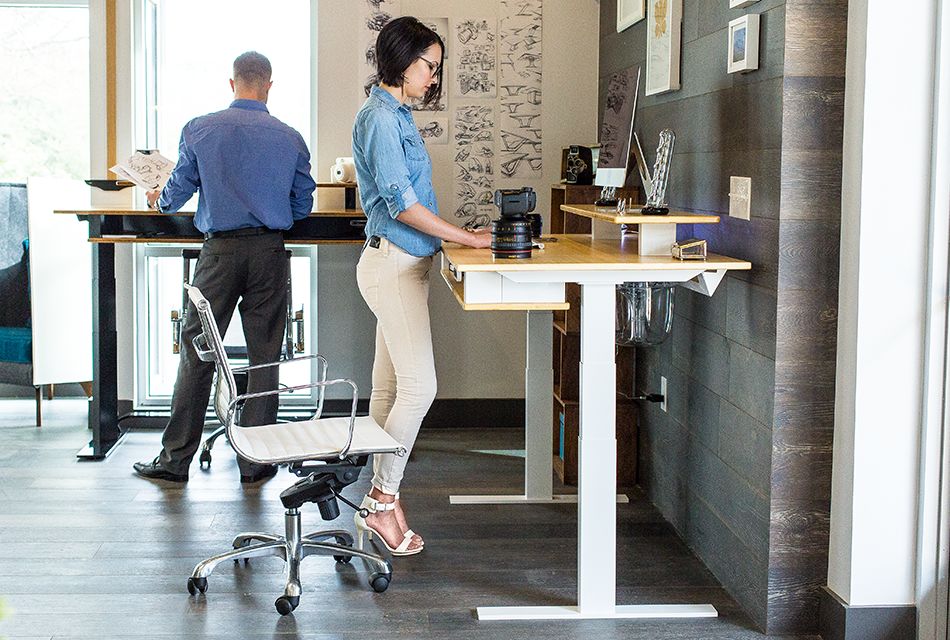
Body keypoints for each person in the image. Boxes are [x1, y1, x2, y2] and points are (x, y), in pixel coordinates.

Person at [133, 51, 316, 484]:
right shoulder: (290, 137)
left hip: (218, 255)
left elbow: (175, 195)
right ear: (268, 85)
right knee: (265, 354)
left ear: (231, 83)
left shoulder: (200, 129)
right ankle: (255, 462)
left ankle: (175, 460)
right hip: (269, 252)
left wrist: (158, 196)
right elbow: (301, 203)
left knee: (198, 352)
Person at [351, 17, 491, 556]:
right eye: (429, 66)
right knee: (419, 388)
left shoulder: (395, 114)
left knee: (389, 390)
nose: (433, 77)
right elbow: (403, 205)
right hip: (392, 266)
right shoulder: (382, 119)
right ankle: (383, 503)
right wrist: (468, 239)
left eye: (436, 68)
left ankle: (374, 502)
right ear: (402, 60)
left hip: (400, 265)